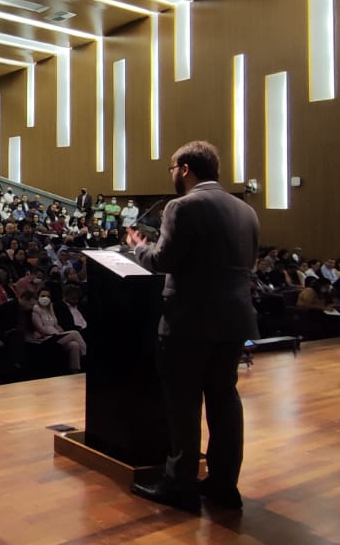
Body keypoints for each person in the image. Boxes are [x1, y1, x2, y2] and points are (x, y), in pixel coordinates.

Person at [125, 141, 259, 514]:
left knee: (183, 404)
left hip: (189, 321)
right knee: (224, 401)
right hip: (234, 319)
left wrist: (138, 248)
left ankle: (179, 484)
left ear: (185, 169)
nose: (170, 174)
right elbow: (249, 261)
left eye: (171, 168)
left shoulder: (182, 206)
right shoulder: (245, 210)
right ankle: (223, 485)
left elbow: (165, 259)